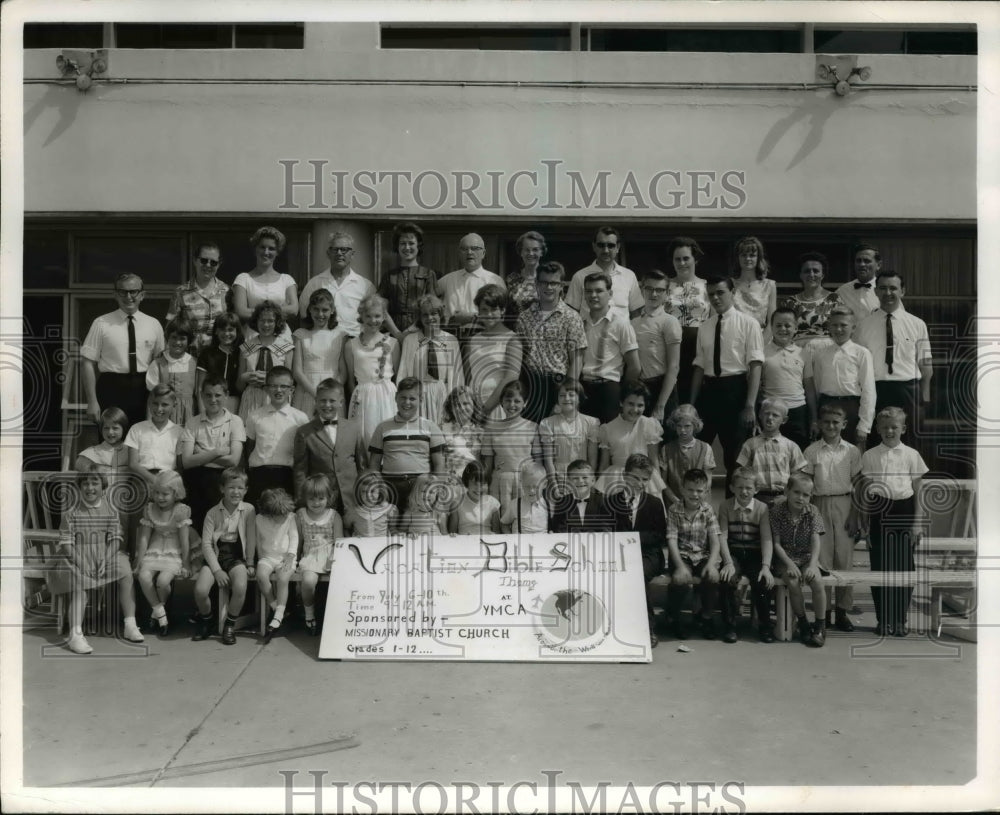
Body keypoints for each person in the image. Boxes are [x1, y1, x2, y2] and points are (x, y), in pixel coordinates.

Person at [48, 467, 145, 653]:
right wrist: (82, 562)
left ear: (103, 487)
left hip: (104, 554)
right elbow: (67, 544)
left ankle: (130, 624)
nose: (90, 487)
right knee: (80, 586)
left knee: (124, 570)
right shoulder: (71, 512)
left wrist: (106, 558)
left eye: (95, 483)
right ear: (79, 487)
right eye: (85, 483)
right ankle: (75, 634)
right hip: (75, 556)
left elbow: (116, 538)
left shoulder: (110, 509)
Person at [858, 406, 928, 637]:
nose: (890, 431)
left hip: (904, 511)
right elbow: (867, 493)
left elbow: (918, 490)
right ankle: (883, 619)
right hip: (879, 512)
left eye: (894, 427)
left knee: (903, 568)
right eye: (885, 427)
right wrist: (866, 523)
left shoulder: (911, 455)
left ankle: (900, 619)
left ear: (903, 429)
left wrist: (917, 523)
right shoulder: (869, 456)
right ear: (877, 429)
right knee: (879, 567)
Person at [690, 276, 764, 494]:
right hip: (709, 391)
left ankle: (735, 515)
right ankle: (697, 507)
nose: (715, 298)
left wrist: (750, 405)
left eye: (720, 293)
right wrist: (692, 405)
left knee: (735, 457)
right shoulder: (704, 327)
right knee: (698, 452)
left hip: (736, 391)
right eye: (711, 294)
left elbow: (756, 365)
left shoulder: (749, 323)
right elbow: (699, 366)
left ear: (733, 293)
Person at [854, 272, 933, 452]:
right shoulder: (863, 326)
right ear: (875, 291)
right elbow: (857, 366)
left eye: (893, 288)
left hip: (908, 391)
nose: (887, 292)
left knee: (910, 446)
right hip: (876, 390)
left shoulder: (917, 324)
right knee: (876, 445)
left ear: (902, 291)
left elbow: (926, 364)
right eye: (882, 288)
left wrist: (924, 400)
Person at [803, 404, 863, 633]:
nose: (830, 426)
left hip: (845, 503)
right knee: (823, 560)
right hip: (819, 504)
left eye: (835, 422)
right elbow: (806, 485)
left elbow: (858, 486)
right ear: (819, 424)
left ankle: (842, 612)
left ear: (844, 425)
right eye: (826, 422)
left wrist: (855, 515)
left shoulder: (852, 452)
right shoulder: (811, 451)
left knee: (844, 560)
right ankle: (824, 612)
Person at [80, 273, 165, 427]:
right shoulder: (101, 323)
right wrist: (92, 401)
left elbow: (161, 363)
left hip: (144, 389)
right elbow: (87, 362)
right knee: (111, 439)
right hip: (111, 387)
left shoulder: (154, 324)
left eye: (133, 291)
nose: (128, 296)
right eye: (123, 291)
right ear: (115, 295)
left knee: (143, 440)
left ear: (142, 295)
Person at [516, 260, 586, 423]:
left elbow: (577, 359)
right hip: (531, 384)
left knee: (557, 439)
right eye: (544, 283)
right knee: (531, 437)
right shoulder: (524, 317)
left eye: (554, 283)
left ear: (561, 286)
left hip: (558, 385)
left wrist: (566, 396)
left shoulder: (571, 317)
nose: (549, 287)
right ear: (537, 284)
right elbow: (519, 358)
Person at [192, 467, 256, 645]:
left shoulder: (249, 510)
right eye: (231, 487)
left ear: (246, 490)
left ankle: (230, 624)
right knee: (201, 590)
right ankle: (207, 619)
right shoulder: (212, 513)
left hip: (237, 559)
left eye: (240, 488)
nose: (236, 492)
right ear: (222, 489)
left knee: (241, 586)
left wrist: (250, 562)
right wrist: (217, 570)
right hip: (215, 558)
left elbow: (251, 538)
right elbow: (206, 544)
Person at [609, 454, 667, 648]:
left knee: (637, 573)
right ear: (625, 476)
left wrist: (633, 538)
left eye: (644, 479)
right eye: (635, 478)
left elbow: (659, 535)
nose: (640, 483)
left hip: (648, 555)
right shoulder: (610, 502)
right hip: (619, 555)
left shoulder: (655, 503)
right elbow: (606, 531)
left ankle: (647, 627)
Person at [368, 379, 447, 512]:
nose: (407, 402)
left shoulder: (430, 427)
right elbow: (374, 464)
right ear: (396, 398)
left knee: (416, 527)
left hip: (420, 488)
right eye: (403, 397)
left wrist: (435, 490)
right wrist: (378, 489)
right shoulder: (382, 427)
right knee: (392, 527)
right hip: (390, 487)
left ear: (421, 400)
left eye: (412, 398)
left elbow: (439, 463)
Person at [717, 467, 776, 644]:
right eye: (740, 487)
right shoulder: (725, 506)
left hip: (754, 553)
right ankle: (730, 626)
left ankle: (765, 626)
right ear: (732, 488)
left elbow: (766, 539)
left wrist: (766, 566)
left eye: (748, 488)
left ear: (756, 489)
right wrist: (727, 562)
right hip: (733, 552)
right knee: (727, 579)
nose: (744, 491)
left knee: (763, 582)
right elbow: (723, 536)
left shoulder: (762, 508)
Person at [180, 375, 246, 532]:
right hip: (197, 479)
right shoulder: (193, 422)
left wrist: (201, 454)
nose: (213, 400)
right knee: (197, 522)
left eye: (218, 395)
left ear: (227, 395)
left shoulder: (235, 421)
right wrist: (216, 452)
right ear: (201, 395)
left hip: (223, 479)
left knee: (222, 525)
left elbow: (233, 460)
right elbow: (187, 462)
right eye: (208, 395)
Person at [769, 472, 828, 647]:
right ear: (787, 491)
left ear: (811, 496)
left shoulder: (812, 511)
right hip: (784, 558)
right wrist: (789, 564)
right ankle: (802, 622)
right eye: (796, 492)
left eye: (806, 495)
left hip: (806, 557)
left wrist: (812, 565)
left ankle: (820, 625)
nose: (800, 498)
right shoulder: (777, 511)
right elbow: (776, 544)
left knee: (817, 582)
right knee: (793, 582)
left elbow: (816, 541)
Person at [803, 306, 876, 448]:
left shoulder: (861, 353)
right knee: (825, 452)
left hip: (851, 408)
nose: (839, 329)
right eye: (834, 325)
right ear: (829, 327)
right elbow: (817, 385)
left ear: (853, 328)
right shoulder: (821, 353)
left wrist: (864, 425)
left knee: (850, 454)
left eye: (843, 325)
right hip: (826, 406)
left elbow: (869, 390)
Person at [663, 468, 721, 640]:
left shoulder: (708, 510)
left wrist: (711, 564)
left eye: (699, 491)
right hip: (682, 556)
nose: (694, 494)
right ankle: (674, 617)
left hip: (702, 556)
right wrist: (680, 566)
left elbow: (715, 541)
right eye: (690, 490)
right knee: (680, 581)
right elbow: (671, 541)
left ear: (706, 492)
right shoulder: (674, 510)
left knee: (712, 578)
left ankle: (705, 617)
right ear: (682, 489)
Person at [134, 470, 193, 637]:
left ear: (176, 493)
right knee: (144, 576)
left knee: (162, 581)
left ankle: (155, 615)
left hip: (174, 550)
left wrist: (186, 563)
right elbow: (144, 537)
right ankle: (160, 613)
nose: (160, 497)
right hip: (155, 548)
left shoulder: (181, 510)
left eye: (165, 494)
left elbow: (184, 540)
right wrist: (139, 560)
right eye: (157, 493)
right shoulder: (150, 509)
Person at [292, 379, 364, 515]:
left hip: (352, 499)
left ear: (341, 402)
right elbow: (300, 472)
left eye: (332, 401)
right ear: (316, 401)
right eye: (322, 400)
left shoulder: (353, 428)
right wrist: (302, 503)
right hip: (320, 501)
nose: (327, 405)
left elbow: (362, 466)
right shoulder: (304, 432)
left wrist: (363, 496)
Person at [579, 271, 640, 424]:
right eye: (589, 291)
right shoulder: (580, 323)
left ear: (610, 293)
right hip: (583, 389)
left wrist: (622, 395)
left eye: (599, 290)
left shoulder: (620, 324)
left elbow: (634, 366)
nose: (593, 295)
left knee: (609, 440)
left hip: (609, 390)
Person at [243, 366, 309, 505]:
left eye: (284, 386)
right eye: (273, 386)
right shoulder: (255, 416)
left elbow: (303, 453)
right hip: (259, 475)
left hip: (286, 476)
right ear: (266, 388)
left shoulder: (300, 418)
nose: (278, 390)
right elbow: (249, 447)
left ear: (292, 389)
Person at [343, 294, 400, 447]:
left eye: (377, 316)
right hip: (363, 395)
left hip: (386, 394)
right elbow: (350, 380)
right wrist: (355, 400)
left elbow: (397, 376)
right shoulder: (351, 345)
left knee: (387, 434)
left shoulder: (392, 343)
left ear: (383, 318)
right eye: (368, 316)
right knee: (365, 434)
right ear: (361, 316)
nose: (373, 320)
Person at [397, 294, 464, 424]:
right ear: (420, 318)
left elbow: (457, 374)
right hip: (418, 393)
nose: (430, 318)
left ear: (440, 315)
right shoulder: (410, 341)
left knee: (441, 432)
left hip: (442, 393)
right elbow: (403, 371)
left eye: (434, 313)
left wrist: (455, 401)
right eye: (425, 315)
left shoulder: (451, 340)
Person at [592, 382, 665, 497]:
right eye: (630, 404)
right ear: (621, 403)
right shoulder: (608, 428)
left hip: (644, 478)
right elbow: (604, 464)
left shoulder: (650, 425)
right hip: (617, 478)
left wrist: (658, 487)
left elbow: (653, 460)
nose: (635, 409)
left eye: (640, 405)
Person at [481, 381, 541, 519]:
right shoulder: (491, 428)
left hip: (524, 481)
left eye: (517, 401)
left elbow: (538, 462)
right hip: (500, 481)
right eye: (507, 400)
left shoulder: (532, 427)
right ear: (501, 402)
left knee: (522, 518)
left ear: (525, 403)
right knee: (501, 518)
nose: (512, 405)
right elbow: (488, 464)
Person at [463, 284, 522, 421]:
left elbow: (510, 378)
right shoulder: (473, 339)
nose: (488, 314)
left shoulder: (512, 340)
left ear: (502, 310)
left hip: (497, 406)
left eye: (494, 309)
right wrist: (470, 405)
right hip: (473, 406)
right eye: (484, 309)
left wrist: (486, 409)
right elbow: (467, 376)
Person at [300, 232, 375, 338]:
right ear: (328, 253)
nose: (339, 253)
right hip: (322, 341)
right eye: (335, 249)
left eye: (344, 249)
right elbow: (304, 317)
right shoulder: (314, 283)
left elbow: (373, 320)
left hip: (354, 341)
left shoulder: (366, 286)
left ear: (352, 254)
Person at [735, 398, 808, 506]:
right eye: (766, 414)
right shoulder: (750, 445)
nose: (770, 418)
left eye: (775, 415)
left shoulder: (791, 446)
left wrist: (787, 496)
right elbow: (742, 474)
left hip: (783, 499)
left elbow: (798, 477)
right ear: (759, 415)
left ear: (784, 420)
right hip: (756, 499)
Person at [664, 237, 711, 406]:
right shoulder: (665, 286)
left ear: (695, 259)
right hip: (669, 348)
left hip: (698, 349)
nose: (682, 263)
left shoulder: (707, 287)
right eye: (677, 259)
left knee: (696, 398)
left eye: (686, 258)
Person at [631, 269, 681, 424]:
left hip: (662, 388)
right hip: (640, 389)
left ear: (666, 293)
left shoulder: (669, 321)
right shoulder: (633, 322)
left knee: (665, 442)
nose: (653, 294)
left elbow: (674, 366)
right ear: (642, 290)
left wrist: (660, 406)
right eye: (649, 289)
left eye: (659, 290)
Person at [295, 475, 343, 635]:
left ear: (329, 497)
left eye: (321, 498)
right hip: (310, 556)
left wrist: (333, 559)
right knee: (308, 582)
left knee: (340, 583)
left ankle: (338, 620)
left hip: (331, 556)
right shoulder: (300, 515)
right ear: (305, 498)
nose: (316, 503)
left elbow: (339, 542)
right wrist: (295, 560)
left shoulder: (334, 516)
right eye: (311, 499)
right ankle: (309, 615)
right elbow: (299, 540)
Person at [165, 241, 232, 354]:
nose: (208, 265)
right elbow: (170, 329)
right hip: (189, 356)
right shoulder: (180, 292)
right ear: (195, 260)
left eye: (213, 262)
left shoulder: (228, 291)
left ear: (219, 264)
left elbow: (233, 327)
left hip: (220, 356)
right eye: (204, 260)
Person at [564, 226, 643, 321]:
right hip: (590, 334)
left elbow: (636, 314)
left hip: (621, 335)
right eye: (601, 245)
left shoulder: (629, 276)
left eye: (610, 245)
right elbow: (571, 314)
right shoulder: (580, 276)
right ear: (594, 246)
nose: (606, 250)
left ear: (618, 247)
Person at [236, 301, 294, 425]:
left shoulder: (286, 348)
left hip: (277, 399)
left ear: (277, 322)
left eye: (270, 321)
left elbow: (290, 382)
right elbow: (239, 385)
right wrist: (244, 377)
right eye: (262, 320)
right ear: (256, 321)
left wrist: (270, 380)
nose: (266, 324)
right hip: (252, 399)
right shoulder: (246, 347)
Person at [292, 288, 348, 417]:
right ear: (310, 309)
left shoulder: (340, 335)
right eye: (316, 309)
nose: (320, 314)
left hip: (332, 388)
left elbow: (343, 371)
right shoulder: (301, 335)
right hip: (307, 389)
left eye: (325, 310)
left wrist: (331, 394)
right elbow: (297, 372)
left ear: (332, 310)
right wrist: (317, 395)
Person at [232, 226, 298, 335]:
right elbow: (241, 311)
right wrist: (279, 311)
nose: (266, 252)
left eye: (271, 248)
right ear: (255, 249)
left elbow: (294, 309)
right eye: (262, 247)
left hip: (281, 336)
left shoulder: (287, 280)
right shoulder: (243, 278)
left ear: (277, 252)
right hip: (253, 336)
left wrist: (255, 312)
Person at [761, 307, 810, 451]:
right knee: (770, 453)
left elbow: (810, 388)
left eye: (788, 325)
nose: (783, 329)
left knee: (798, 455)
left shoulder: (804, 354)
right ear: (771, 327)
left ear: (796, 328)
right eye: (778, 325)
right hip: (770, 412)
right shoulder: (761, 352)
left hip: (797, 410)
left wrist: (813, 418)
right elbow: (756, 386)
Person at [436, 233, 505, 334]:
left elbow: (501, 315)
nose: (469, 252)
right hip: (450, 336)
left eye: (475, 248)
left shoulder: (495, 280)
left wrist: (471, 318)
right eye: (464, 249)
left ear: (484, 253)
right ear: (459, 253)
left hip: (483, 337)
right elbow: (428, 301)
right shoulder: (447, 280)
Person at [378, 222, 439, 335]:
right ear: (397, 246)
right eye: (402, 243)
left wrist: (410, 331)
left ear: (418, 245)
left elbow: (431, 308)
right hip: (391, 334)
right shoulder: (389, 276)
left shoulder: (429, 274)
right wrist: (397, 334)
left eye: (411, 243)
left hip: (420, 333)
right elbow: (381, 309)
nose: (407, 247)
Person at [255, 488, 299, 640]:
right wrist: (260, 559)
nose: (284, 516)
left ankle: (278, 615)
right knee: (260, 576)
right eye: (280, 515)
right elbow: (259, 541)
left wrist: (291, 555)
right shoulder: (259, 519)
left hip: (286, 557)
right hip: (268, 557)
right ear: (270, 514)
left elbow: (294, 537)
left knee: (282, 578)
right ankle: (274, 605)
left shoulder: (290, 517)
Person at [539, 379, 599, 484]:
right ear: (557, 399)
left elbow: (592, 458)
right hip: (559, 477)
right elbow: (549, 460)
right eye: (562, 395)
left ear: (579, 398)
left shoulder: (591, 422)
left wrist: (590, 480)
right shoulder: (548, 423)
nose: (566, 398)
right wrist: (553, 483)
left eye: (571, 395)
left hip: (582, 478)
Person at [125, 384, 185, 489]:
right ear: (149, 404)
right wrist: (154, 480)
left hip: (168, 480)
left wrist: (167, 481)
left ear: (174, 405)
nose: (159, 409)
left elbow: (180, 466)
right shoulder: (137, 429)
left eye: (165, 404)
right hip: (142, 479)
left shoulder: (179, 432)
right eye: (155, 404)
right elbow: (133, 464)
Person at [778, 252, 841, 346]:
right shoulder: (790, 302)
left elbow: (841, 329)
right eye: (807, 271)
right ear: (801, 275)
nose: (811, 274)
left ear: (822, 275)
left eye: (816, 271)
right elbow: (782, 331)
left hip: (827, 352)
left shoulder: (834, 299)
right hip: (797, 353)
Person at [659, 404, 715, 507]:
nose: (683, 430)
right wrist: (676, 501)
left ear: (695, 425)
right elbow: (662, 481)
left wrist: (695, 500)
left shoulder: (706, 448)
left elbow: (708, 481)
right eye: (679, 426)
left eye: (687, 426)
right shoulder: (666, 449)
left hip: (699, 504)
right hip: (674, 504)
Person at [146, 319, 197, 425]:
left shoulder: (194, 364)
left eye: (182, 339)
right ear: (167, 338)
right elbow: (152, 397)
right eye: (174, 337)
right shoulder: (158, 364)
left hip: (189, 415)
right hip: (163, 414)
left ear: (189, 340)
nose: (177, 342)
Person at [549, 460, 617, 533]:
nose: (580, 481)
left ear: (593, 480)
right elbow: (559, 529)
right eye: (575, 478)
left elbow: (606, 528)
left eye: (584, 477)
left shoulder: (603, 501)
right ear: (568, 481)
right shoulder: (562, 503)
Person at [195, 312, 242, 415]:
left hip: (234, 403)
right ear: (216, 331)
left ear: (237, 331)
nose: (226, 334)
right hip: (211, 401)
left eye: (230, 330)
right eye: (222, 329)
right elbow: (200, 387)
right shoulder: (207, 354)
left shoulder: (241, 354)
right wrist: (202, 412)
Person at [730, 236, 776, 332]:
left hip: (761, 337)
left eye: (752, 255)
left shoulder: (769, 285)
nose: (747, 258)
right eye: (743, 255)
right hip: (735, 336)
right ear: (737, 258)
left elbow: (772, 323)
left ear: (758, 257)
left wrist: (761, 344)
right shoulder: (730, 284)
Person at [439, 386, 487, 478]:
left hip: (472, 483)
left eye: (465, 403)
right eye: (456, 404)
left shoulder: (482, 433)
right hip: (448, 482)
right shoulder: (441, 430)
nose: (461, 407)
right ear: (451, 408)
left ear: (474, 406)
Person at [448, 462, 501, 536]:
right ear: (467, 482)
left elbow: (497, 533)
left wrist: (493, 536)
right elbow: (452, 533)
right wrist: (454, 536)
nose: (478, 488)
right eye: (474, 483)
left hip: (487, 543)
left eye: (483, 484)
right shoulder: (457, 503)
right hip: (464, 543)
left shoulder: (493, 503)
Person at [504, 230, 546, 323]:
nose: (530, 253)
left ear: (541, 252)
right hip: (516, 333)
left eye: (535, 249)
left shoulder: (548, 278)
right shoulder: (511, 279)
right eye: (527, 249)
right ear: (521, 252)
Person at [834, 243, 882, 324]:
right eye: (858, 260)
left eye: (867, 261)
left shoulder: (886, 290)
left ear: (878, 265)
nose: (862, 264)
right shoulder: (842, 292)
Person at [74, 406, 129, 476]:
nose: (110, 432)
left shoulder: (131, 451)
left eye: (115, 428)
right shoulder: (93, 452)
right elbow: (79, 466)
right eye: (106, 428)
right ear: (101, 429)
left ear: (123, 429)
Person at [499, 461, 551, 534]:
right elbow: (504, 524)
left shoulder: (549, 506)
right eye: (527, 486)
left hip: (541, 543)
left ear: (545, 484)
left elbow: (553, 528)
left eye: (535, 487)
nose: (531, 490)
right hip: (520, 543)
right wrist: (511, 537)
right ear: (521, 484)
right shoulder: (515, 504)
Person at [345, 470, 399, 537]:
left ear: (380, 491)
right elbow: (346, 529)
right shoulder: (352, 512)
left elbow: (392, 528)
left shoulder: (389, 510)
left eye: (373, 491)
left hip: (382, 545)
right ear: (358, 493)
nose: (368, 496)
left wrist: (396, 534)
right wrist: (351, 540)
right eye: (364, 491)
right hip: (362, 546)